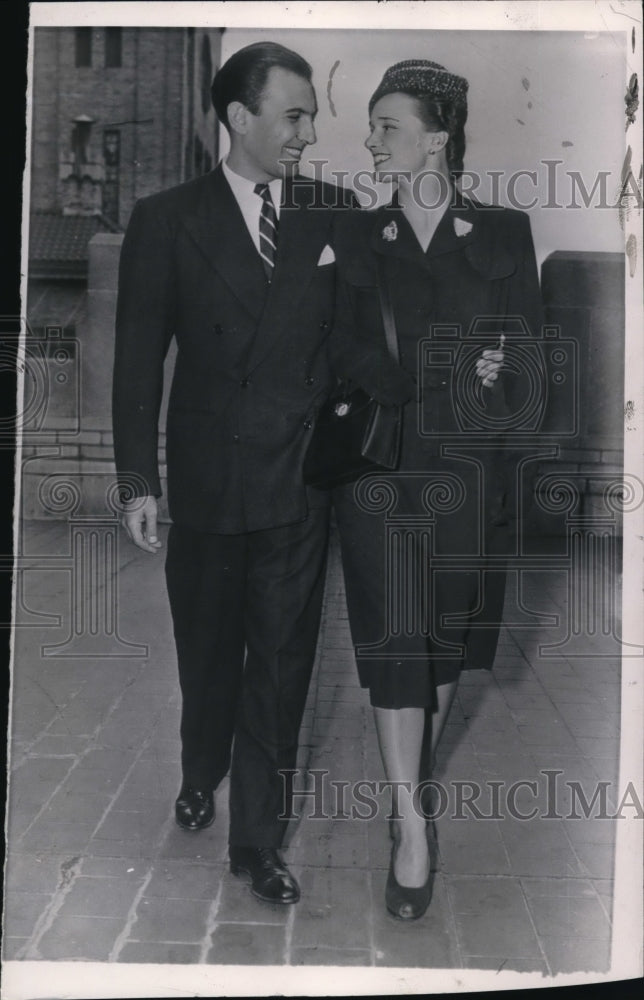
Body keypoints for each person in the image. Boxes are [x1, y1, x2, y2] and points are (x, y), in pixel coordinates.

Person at [112, 41, 353, 905]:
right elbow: (138, 362)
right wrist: (138, 481)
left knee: (283, 663)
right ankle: (199, 763)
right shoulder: (166, 219)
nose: (308, 132)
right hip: (210, 483)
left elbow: (362, 344)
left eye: (312, 115)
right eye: (294, 115)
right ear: (238, 119)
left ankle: (257, 843)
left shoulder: (336, 213)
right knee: (208, 651)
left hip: (299, 484)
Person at [330, 60, 543, 920]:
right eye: (373, 126)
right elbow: (343, 356)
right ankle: (413, 827)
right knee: (396, 642)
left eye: (387, 125)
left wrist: (493, 375)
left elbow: (528, 361)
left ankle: (405, 788)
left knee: (444, 646)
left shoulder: (502, 232)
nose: (371, 141)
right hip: (382, 474)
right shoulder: (354, 235)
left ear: (437, 139)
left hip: (469, 473)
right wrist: (446, 365)